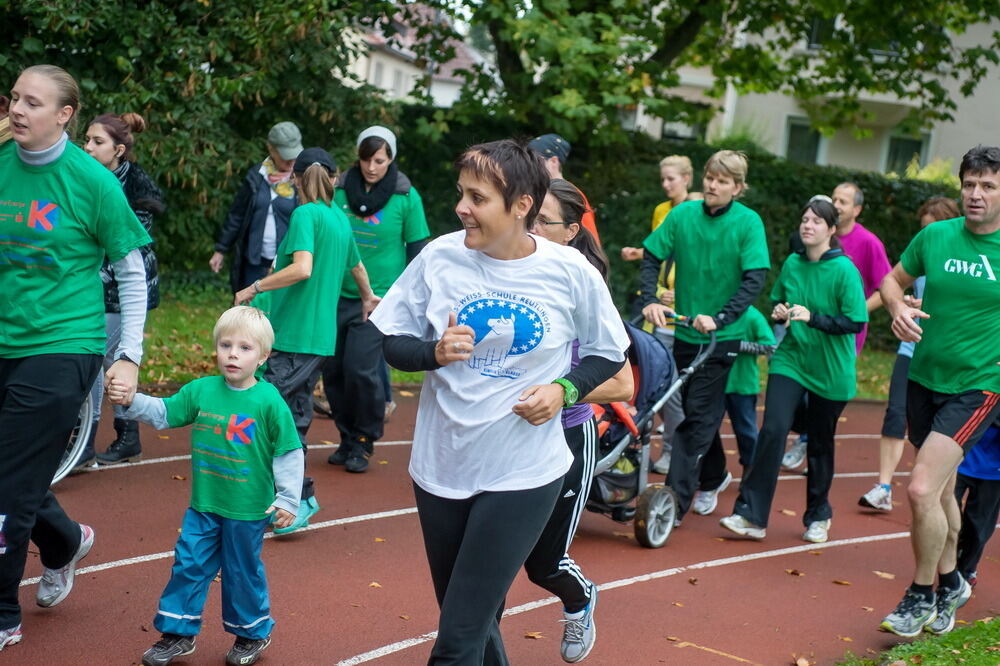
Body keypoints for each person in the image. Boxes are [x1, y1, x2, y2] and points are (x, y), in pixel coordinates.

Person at [370, 139, 630, 665]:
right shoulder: (440, 256)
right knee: (475, 619)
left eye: (477, 197)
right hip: (442, 466)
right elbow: (392, 341)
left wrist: (563, 390)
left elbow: (610, 356)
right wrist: (433, 352)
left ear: (521, 207)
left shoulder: (570, 272)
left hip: (523, 473)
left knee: (457, 639)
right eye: (461, 194)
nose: (461, 207)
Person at [0, 64, 151, 652]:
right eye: (13, 97)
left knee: (9, 482)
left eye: (32, 102)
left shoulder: (92, 182)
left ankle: (3, 613)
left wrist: (130, 355)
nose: (17, 109)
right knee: (16, 473)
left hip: (64, 344)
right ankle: (63, 541)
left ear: (64, 116)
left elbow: (131, 271)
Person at [108, 306, 302, 666]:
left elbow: (288, 450)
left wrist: (289, 499)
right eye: (226, 345)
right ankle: (178, 633)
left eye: (245, 348)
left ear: (263, 356)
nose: (233, 354)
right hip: (204, 505)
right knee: (188, 564)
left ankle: (251, 634)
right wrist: (132, 401)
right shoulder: (201, 390)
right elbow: (165, 413)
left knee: (242, 572)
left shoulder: (269, 401)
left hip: (248, 510)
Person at [879, 145, 1000, 638]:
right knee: (944, 491)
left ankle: (921, 593)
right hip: (924, 379)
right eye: (969, 184)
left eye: (988, 186)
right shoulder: (935, 236)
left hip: (979, 386)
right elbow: (891, 279)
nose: (975, 194)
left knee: (921, 488)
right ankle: (952, 580)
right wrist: (897, 309)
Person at [233, 147, 379, 534]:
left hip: (295, 336)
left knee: (265, 414)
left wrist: (255, 286)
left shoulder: (305, 214)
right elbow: (357, 266)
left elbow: (302, 267)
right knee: (291, 419)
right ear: (334, 178)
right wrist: (367, 297)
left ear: (295, 179)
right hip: (314, 339)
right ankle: (298, 498)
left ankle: (290, 499)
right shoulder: (337, 218)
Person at [526, 178, 633, 663]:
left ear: (570, 231)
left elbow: (623, 385)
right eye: (526, 217)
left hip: (568, 434)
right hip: (509, 437)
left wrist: (558, 386)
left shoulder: (585, 285)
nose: (529, 228)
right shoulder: (510, 272)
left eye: (541, 222)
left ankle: (580, 598)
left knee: (543, 564)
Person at [720, 199, 867, 542]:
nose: (808, 225)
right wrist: (781, 311)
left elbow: (855, 322)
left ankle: (818, 515)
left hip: (830, 371)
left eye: (816, 221)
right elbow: (778, 303)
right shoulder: (792, 263)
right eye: (804, 219)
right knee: (772, 430)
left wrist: (813, 318)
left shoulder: (844, 270)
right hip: (791, 359)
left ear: (831, 230)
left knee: (819, 443)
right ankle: (750, 515)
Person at [640, 150, 770, 525]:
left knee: (696, 414)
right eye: (711, 177)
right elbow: (651, 256)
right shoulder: (682, 216)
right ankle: (714, 475)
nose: (713, 185)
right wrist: (649, 299)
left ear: (738, 188)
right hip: (685, 331)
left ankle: (675, 501)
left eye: (723, 181)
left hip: (722, 335)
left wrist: (721, 317)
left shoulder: (749, 223)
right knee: (697, 412)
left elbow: (753, 280)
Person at [323, 126, 429, 473]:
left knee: (360, 369)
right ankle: (346, 437)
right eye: (366, 159)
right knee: (334, 370)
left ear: (391, 160)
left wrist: (412, 299)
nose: (371, 167)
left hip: (379, 299)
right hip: (335, 293)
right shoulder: (338, 189)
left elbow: (417, 249)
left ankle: (365, 440)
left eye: (380, 160)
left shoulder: (405, 195)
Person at [780, 182, 893, 470]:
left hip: (843, 335)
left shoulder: (869, 243)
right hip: (805, 332)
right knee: (797, 396)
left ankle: (810, 442)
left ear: (857, 209)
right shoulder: (810, 243)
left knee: (821, 397)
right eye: (834, 200)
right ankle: (807, 436)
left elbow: (887, 286)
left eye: (844, 202)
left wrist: (857, 310)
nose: (838, 206)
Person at [858, 197, 960, 511]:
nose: (926, 234)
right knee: (895, 413)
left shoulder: (966, 258)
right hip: (911, 348)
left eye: (932, 228)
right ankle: (884, 486)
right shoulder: (923, 251)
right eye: (923, 229)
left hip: (948, 355)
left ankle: (940, 494)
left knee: (940, 431)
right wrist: (904, 306)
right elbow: (893, 285)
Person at [76, 111, 165, 468]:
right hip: (92, 286)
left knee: (102, 362)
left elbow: (130, 248)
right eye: (86, 140)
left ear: (120, 150)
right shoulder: (84, 177)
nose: (88, 147)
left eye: (98, 142)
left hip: (123, 287)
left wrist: (97, 275)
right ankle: (127, 436)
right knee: (106, 362)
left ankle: (89, 443)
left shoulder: (137, 186)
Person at [620, 155, 702, 474]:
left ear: (687, 178)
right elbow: (660, 251)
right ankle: (646, 446)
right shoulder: (661, 211)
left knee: (671, 387)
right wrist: (652, 293)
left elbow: (691, 259)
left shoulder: (696, 210)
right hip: (656, 307)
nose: (666, 185)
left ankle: (678, 451)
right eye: (663, 179)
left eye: (672, 179)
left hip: (682, 310)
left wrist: (678, 293)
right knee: (651, 379)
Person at [692, 307, 776, 515]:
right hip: (715, 383)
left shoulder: (753, 316)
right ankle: (708, 473)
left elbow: (769, 345)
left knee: (746, 431)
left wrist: (736, 346)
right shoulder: (712, 311)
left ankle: (751, 469)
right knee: (706, 428)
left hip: (742, 384)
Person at [210, 121, 302, 293]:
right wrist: (220, 250)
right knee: (250, 313)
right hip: (254, 261)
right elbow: (237, 215)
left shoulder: (302, 181)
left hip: (286, 262)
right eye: (285, 155)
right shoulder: (256, 176)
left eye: (294, 155)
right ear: (271, 149)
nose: (291, 160)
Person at [528, 133, 601, 244]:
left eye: (535, 160)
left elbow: (592, 243)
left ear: (553, 161)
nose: (529, 166)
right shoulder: (536, 191)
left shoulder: (573, 196)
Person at [954, 421, 1000, 589]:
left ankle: (966, 570)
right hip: (958, 455)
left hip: (994, 469)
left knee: (977, 528)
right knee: (944, 516)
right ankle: (948, 568)